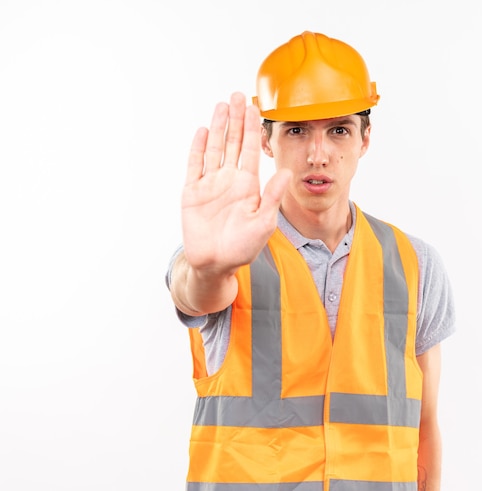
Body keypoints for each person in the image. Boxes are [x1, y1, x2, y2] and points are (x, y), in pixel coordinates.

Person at [166, 31, 456, 491]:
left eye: (338, 129)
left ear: (365, 139)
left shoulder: (415, 264)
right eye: (297, 131)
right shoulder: (225, 254)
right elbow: (195, 292)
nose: (318, 155)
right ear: (267, 141)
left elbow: (425, 425)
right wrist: (208, 267)